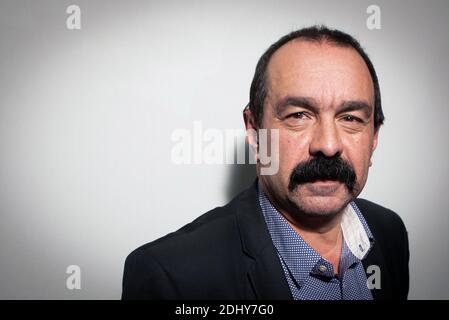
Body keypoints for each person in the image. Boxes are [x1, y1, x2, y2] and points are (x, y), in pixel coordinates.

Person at [122, 25, 409, 300]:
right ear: (255, 132)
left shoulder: (388, 231)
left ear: (373, 138)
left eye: (351, 118)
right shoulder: (170, 277)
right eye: (298, 115)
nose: (328, 145)